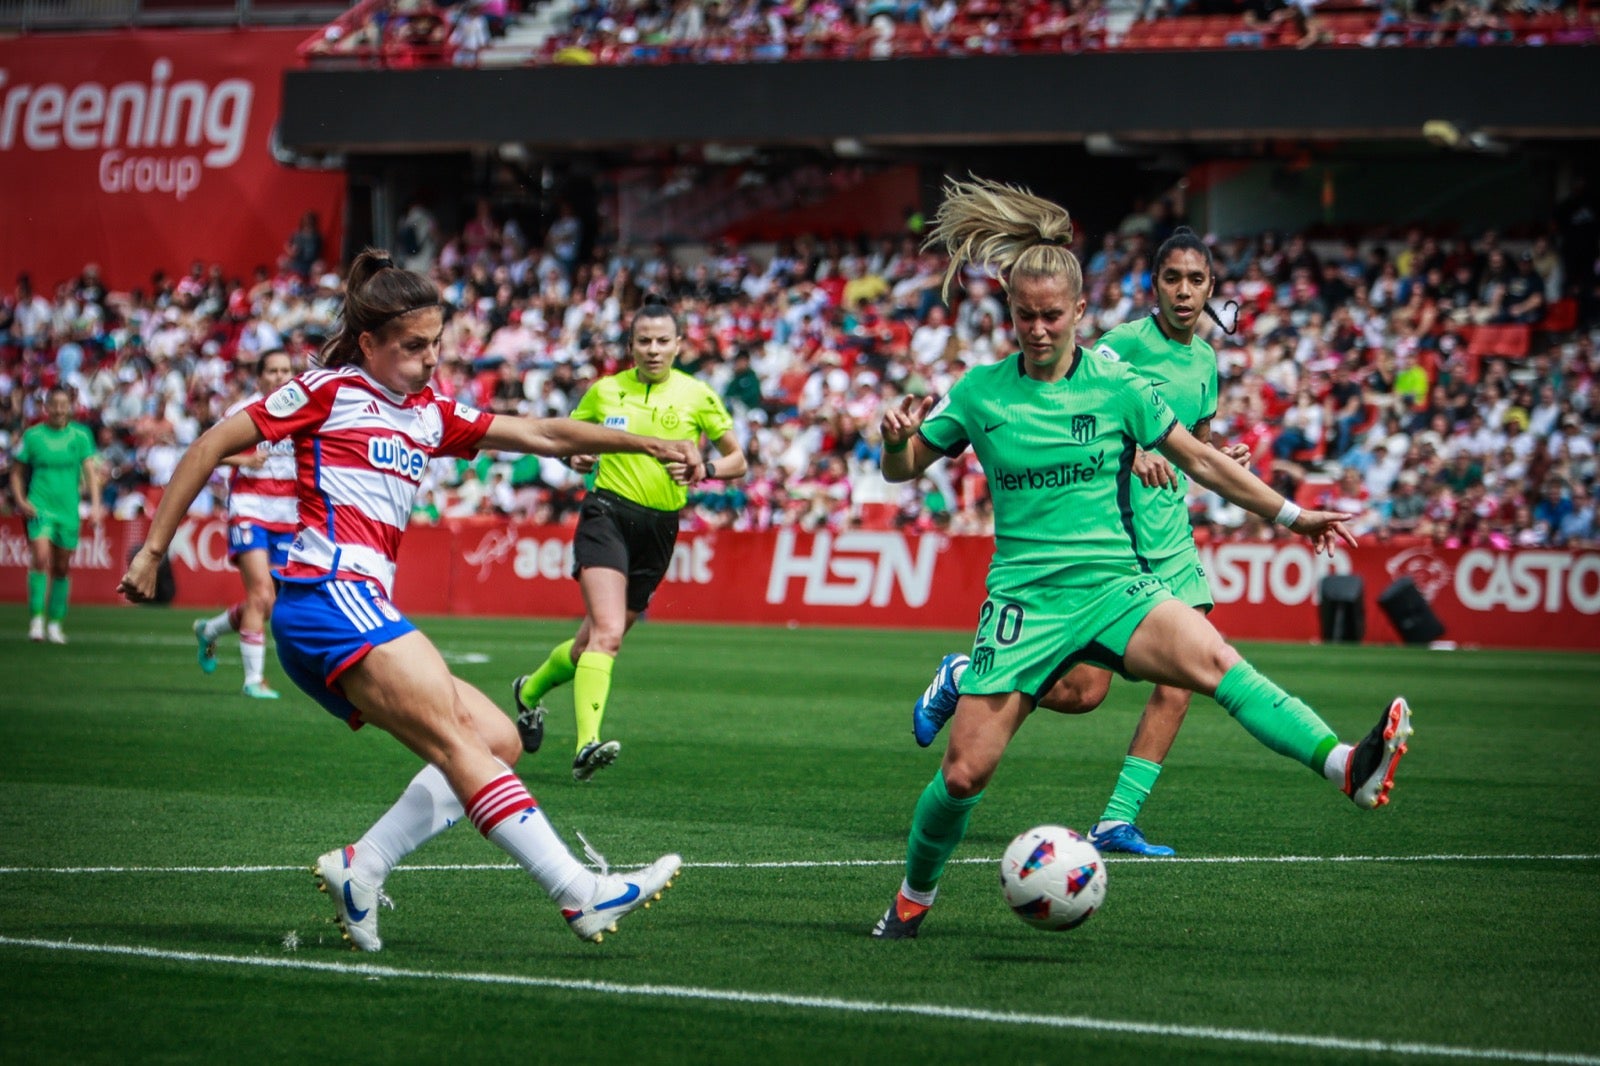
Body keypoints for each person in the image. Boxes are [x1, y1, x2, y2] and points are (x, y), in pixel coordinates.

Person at [869, 178, 1413, 940]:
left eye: (1052, 315)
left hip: (1116, 587)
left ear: (1079, 312)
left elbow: (1202, 459)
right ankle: (911, 899)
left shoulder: (1118, 385)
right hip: (1025, 602)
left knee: (1215, 662)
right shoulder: (981, 392)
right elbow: (904, 469)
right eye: (1024, 316)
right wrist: (896, 442)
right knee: (963, 775)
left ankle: (1347, 767)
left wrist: (1291, 515)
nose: (1037, 329)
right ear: (1009, 312)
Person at [118, 250, 704, 952]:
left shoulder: (429, 413)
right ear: (369, 343)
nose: (430, 360)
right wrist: (152, 551)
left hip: (355, 605)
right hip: (328, 595)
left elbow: (544, 433)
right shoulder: (327, 391)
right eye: (414, 346)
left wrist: (645, 442)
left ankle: (363, 866)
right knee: (459, 742)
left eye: (436, 344)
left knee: (498, 739)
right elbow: (210, 445)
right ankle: (579, 893)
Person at [909, 226, 1253, 858]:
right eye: (1172, 278)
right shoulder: (1121, 345)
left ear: (1211, 289)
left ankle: (1118, 820)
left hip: (1169, 530)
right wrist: (1138, 448)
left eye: (1196, 280)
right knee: (1085, 692)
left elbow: (1196, 445)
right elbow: (1085, 401)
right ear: (1154, 285)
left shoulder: (1207, 361)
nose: (1183, 291)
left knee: (1187, 676)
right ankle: (966, 674)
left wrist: (1218, 459)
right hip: (1113, 530)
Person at [510, 296, 748, 781]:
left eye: (662, 341)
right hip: (607, 515)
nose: (653, 349)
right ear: (631, 346)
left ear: (679, 345)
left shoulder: (697, 395)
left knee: (589, 646)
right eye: (644, 341)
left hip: (660, 530)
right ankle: (586, 745)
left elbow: (738, 460)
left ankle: (528, 692)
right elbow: (565, 441)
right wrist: (573, 458)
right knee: (609, 634)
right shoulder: (605, 391)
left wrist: (705, 469)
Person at [191, 350, 300, 698]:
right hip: (250, 508)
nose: (280, 376)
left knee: (269, 603)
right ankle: (254, 680)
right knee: (261, 593)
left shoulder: (304, 412)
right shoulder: (244, 411)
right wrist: (245, 460)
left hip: (289, 515)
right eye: (273, 371)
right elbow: (208, 450)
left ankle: (210, 630)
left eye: (285, 370)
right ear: (259, 377)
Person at [11, 385, 104, 643]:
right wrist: (21, 500)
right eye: (55, 405)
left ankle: (55, 622)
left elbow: (90, 474)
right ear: (47, 407)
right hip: (39, 506)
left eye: (64, 405)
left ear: (70, 407)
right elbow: (16, 473)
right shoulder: (33, 436)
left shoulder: (80, 436)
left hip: (68, 510)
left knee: (62, 567)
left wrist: (96, 506)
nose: (60, 410)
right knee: (40, 558)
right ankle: (36, 620)